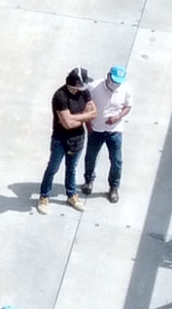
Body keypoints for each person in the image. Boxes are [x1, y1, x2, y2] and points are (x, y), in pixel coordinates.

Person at [39, 67, 97, 212]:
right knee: (53, 168)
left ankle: (71, 195)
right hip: (60, 139)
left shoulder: (84, 92)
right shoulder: (60, 97)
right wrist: (84, 116)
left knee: (72, 168)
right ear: (76, 83)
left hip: (78, 138)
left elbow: (94, 112)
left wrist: (75, 117)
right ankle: (44, 196)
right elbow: (67, 124)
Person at [89, 64, 134, 203]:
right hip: (96, 128)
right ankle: (88, 181)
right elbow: (86, 105)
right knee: (91, 157)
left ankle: (113, 187)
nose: (116, 84)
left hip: (114, 130)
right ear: (108, 76)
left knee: (117, 160)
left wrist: (118, 117)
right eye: (114, 81)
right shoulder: (94, 87)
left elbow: (128, 106)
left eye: (118, 82)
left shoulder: (125, 89)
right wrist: (88, 124)